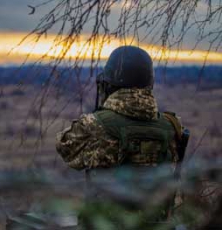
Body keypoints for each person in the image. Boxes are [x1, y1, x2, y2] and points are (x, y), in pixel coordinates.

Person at [55, 46, 189, 228]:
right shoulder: (173, 126)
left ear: (111, 83)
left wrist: (101, 112)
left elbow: (65, 147)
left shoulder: (95, 126)